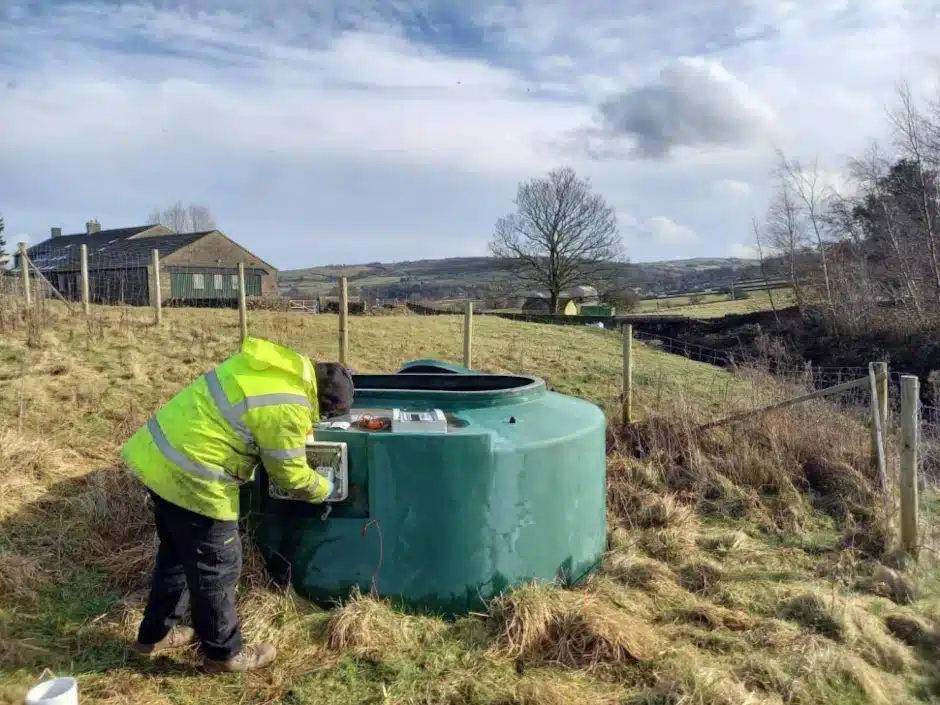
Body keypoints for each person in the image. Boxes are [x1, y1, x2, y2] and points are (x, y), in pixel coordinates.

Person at [120, 336, 354, 673]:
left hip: (158, 458)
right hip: (195, 478)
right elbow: (289, 475)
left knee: (177, 555)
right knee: (218, 566)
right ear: (323, 402)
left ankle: (155, 635)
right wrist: (325, 488)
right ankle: (223, 654)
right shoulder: (288, 406)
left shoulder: (272, 367)